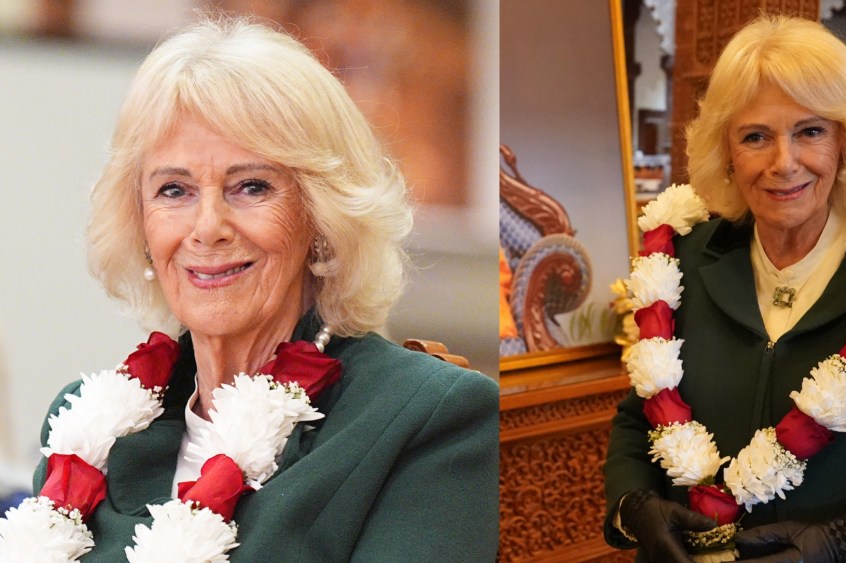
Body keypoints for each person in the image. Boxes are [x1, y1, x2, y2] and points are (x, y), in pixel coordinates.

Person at [9, 17, 498, 562]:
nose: (207, 226)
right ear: (141, 225)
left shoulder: (429, 418)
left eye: (251, 187)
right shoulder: (87, 428)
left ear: (320, 214)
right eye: (175, 189)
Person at [603, 15, 846, 563]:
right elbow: (638, 414)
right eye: (755, 136)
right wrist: (632, 503)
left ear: (845, 142)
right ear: (728, 155)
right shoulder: (681, 258)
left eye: (810, 131)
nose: (784, 164)